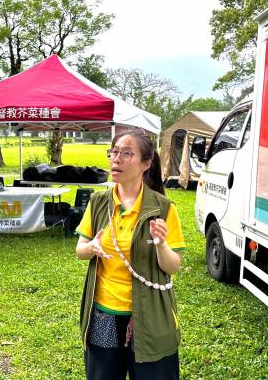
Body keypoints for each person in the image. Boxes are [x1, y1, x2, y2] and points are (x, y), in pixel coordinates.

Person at [76, 129, 186, 380]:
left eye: (126, 154)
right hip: (104, 313)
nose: (116, 159)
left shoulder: (163, 207)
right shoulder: (98, 202)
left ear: (146, 164)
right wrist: (91, 247)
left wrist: (160, 244)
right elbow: (80, 251)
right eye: (113, 152)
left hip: (150, 315)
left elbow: (172, 266)